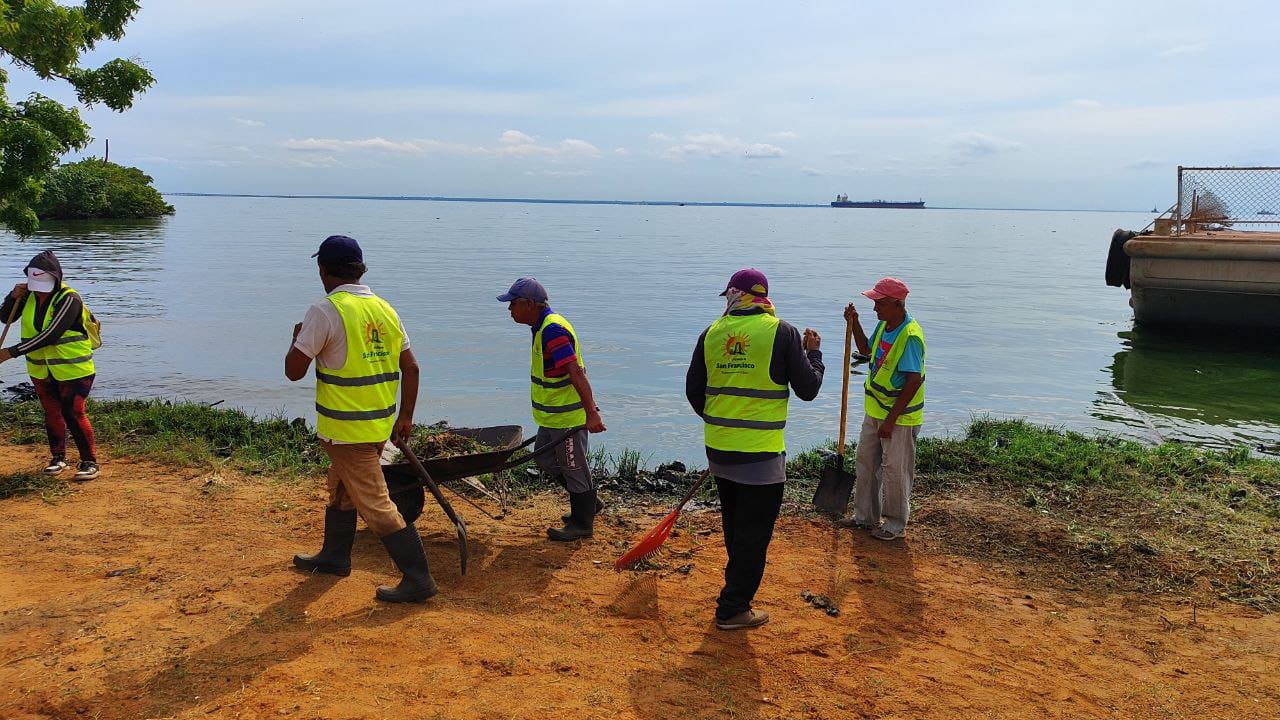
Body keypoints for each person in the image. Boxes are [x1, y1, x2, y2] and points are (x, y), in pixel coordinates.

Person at [285, 235, 436, 603]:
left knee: (377, 505)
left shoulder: (325, 310)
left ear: (322, 269)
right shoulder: (384, 308)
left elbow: (293, 371)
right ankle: (335, 557)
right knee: (341, 490)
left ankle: (419, 579)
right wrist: (406, 418)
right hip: (377, 425)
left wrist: (296, 340)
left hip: (346, 429)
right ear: (360, 269)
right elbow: (411, 367)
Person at [686, 268, 824, 630]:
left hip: (719, 449)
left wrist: (721, 421)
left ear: (733, 296)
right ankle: (733, 608)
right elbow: (807, 389)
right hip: (760, 453)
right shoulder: (782, 333)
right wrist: (815, 355)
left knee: (735, 526)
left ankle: (735, 593)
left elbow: (693, 391)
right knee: (754, 534)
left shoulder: (712, 333)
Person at [499, 277, 606, 541]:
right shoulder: (541, 327)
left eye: (513, 304)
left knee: (573, 466)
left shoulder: (552, 331)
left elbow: (575, 372)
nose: (509, 309)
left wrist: (591, 411)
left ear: (530, 304)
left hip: (566, 417)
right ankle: (589, 504)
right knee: (544, 459)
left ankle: (582, 523)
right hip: (552, 416)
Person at [838, 277, 926, 541]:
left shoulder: (910, 336)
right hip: (875, 411)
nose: (875, 308)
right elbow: (866, 350)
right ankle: (865, 517)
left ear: (898, 304)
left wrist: (891, 420)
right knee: (865, 461)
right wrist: (854, 324)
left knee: (895, 469)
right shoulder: (885, 325)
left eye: (880, 303)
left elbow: (913, 381)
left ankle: (895, 524)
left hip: (899, 417)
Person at [0, 251, 100, 481]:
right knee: (52, 412)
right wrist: (12, 297)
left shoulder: (69, 299)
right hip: (40, 368)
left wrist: (9, 353)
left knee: (73, 412)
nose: (38, 289)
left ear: (57, 278)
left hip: (73, 368)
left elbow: (51, 335)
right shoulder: (28, 295)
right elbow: (5, 318)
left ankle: (89, 462)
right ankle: (58, 458)